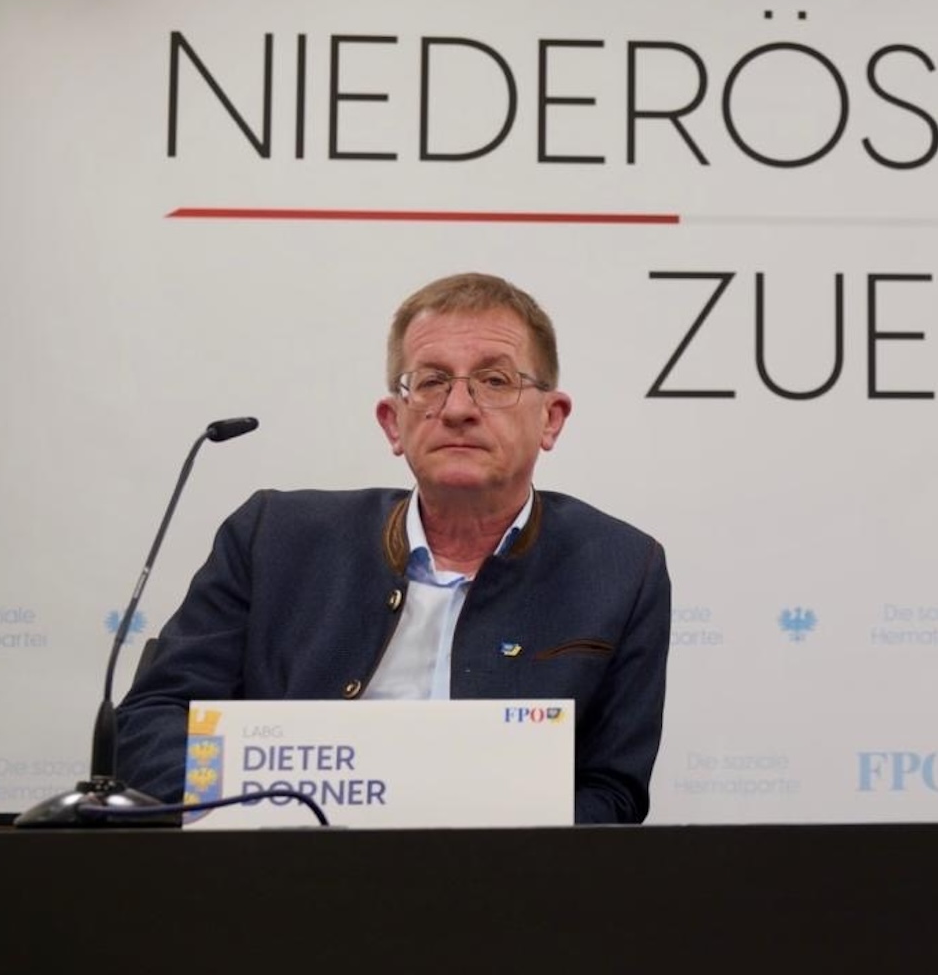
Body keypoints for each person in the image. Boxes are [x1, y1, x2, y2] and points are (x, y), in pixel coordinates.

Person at [115, 273, 669, 824]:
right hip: (283, 865)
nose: (458, 408)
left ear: (551, 418)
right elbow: (152, 722)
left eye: (495, 381)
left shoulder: (620, 570)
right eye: (430, 382)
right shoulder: (272, 538)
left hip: (498, 874)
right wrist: (271, 810)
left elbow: (612, 793)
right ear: (392, 424)